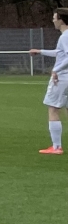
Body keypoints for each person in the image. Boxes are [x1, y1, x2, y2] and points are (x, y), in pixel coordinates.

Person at [28, 9, 68, 154]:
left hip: (62, 78)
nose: (53, 20)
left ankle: (56, 147)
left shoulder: (65, 36)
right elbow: (60, 53)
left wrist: (56, 70)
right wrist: (41, 51)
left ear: (61, 20)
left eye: (54, 18)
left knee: (53, 109)